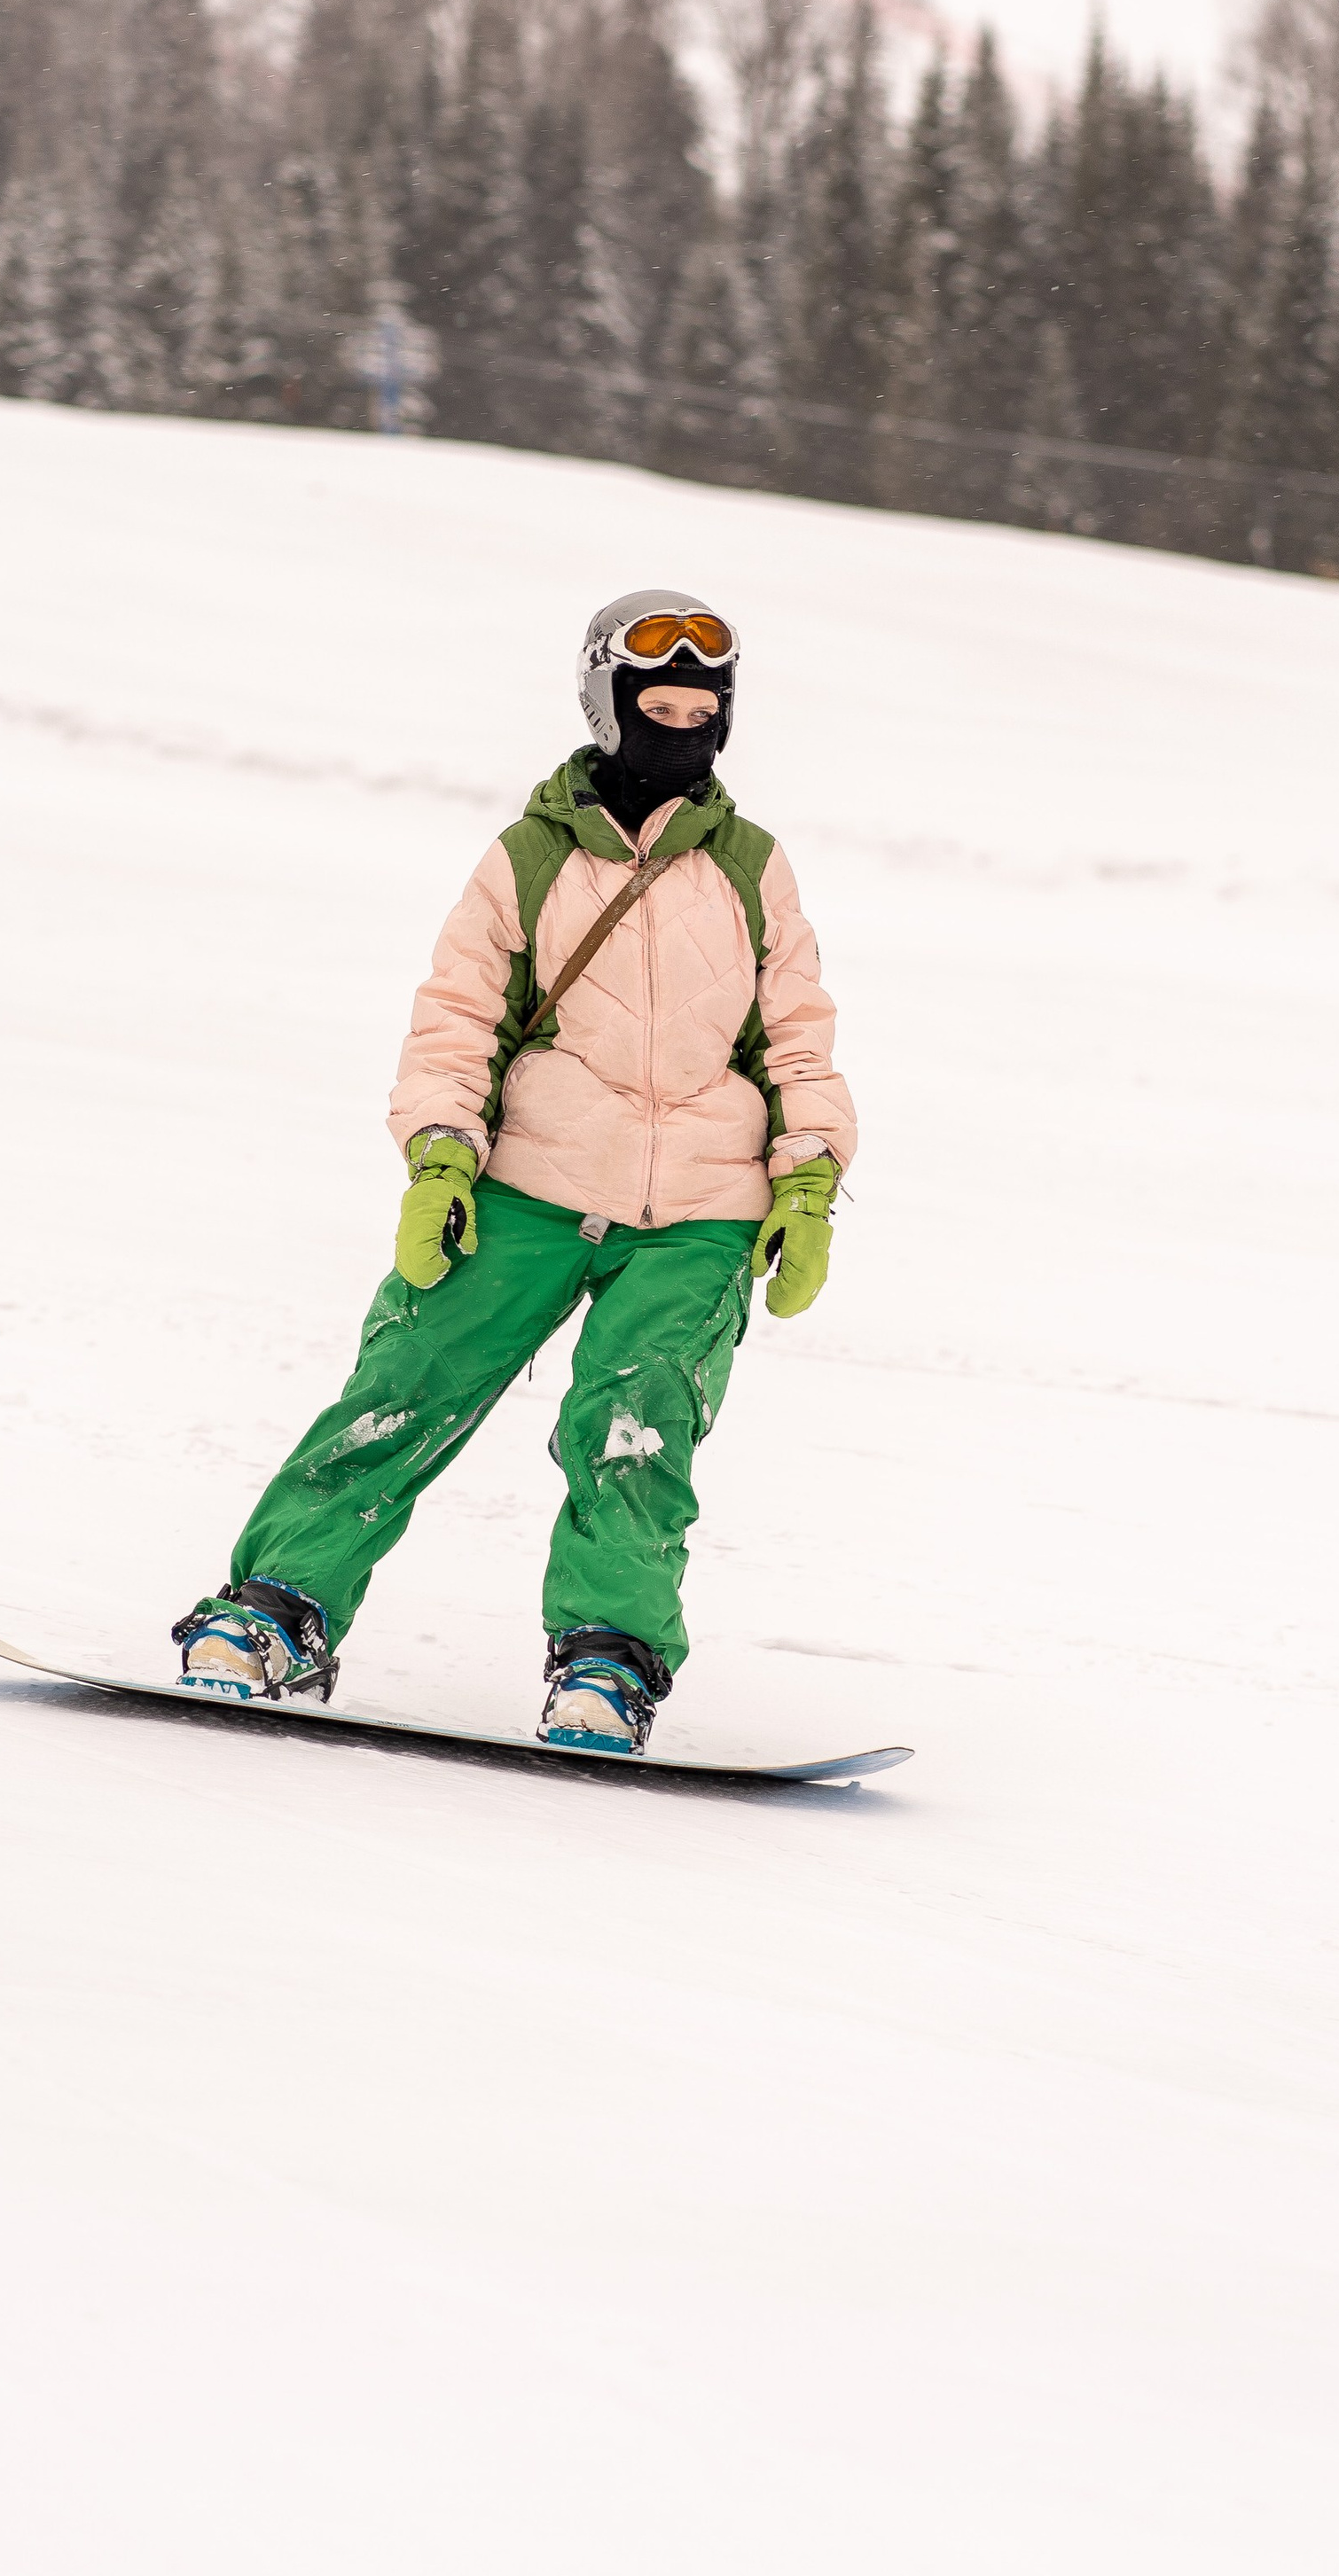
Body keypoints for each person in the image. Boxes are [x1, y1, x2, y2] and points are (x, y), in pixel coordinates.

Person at [172, 588, 857, 1758]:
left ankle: (607, 1660)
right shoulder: (529, 860)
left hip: (698, 1209)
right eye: (660, 702)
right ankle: (278, 1608)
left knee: (635, 1430)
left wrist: (808, 1178)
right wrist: (440, 1157)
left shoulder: (749, 867)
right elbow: (457, 1022)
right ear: (607, 702)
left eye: (705, 706)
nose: (683, 725)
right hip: (530, 1182)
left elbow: (795, 1036)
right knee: (403, 1392)